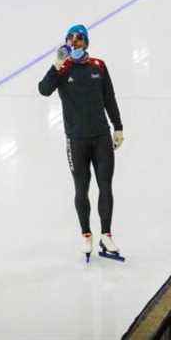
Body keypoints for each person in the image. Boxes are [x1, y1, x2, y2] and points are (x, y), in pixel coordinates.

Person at [38, 24, 125, 262]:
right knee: (81, 188)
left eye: (78, 40)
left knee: (105, 186)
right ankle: (86, 233)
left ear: (86, 43)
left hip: (101, 137)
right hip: (76, 140)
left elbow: (109, 97)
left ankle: (106, 234)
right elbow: (44, 90)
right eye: (70, 40)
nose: (74, 44)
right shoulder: (62, 70)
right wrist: (56, 65)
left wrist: (118, 127)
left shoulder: (99, 66)